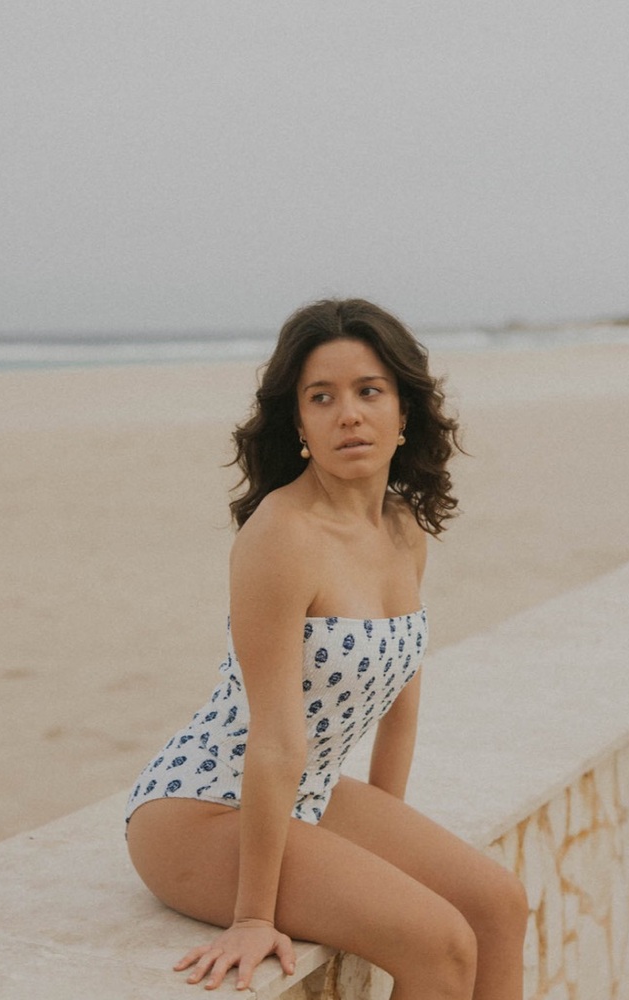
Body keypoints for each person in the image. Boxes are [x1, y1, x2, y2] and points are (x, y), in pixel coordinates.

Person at [126, 299, 528, 999]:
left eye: (369, 391)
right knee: (441, 944)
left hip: (306, 792)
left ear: (404, 412)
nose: (349, 413)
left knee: (498, 907)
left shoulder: (402, 530)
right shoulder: (281, 537)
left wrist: (386, 846)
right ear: (300, 424)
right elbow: (275, 740)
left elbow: (401, 703)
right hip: (205, 809)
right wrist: (253, 915)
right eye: (322, 397)